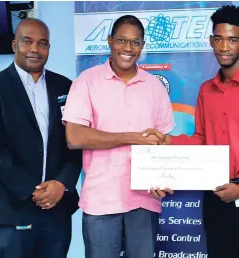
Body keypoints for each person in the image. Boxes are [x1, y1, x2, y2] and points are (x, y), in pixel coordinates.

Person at [145, 5, 239, 258]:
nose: (224, 47)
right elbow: (202, 140)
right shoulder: (206, 90)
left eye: (232, 40)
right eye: (218, 39)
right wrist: (168, 141)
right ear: (211, 40)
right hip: (214, 195)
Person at [62, 15, 174, 258]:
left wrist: (164, 177)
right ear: (110, 41)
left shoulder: (154, 86)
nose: (128, 48)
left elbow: (164, 141)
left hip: (145, 199)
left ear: (142, 46)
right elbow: (74, 137)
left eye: (135, 42)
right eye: (122, 40)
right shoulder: (86, 82)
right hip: (102, 199)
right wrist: (133, 137)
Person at [0, 18, 82, 258]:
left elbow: (76, 141)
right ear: (15, 44)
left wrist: (61, 183)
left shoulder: (66, 87)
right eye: (27, 41)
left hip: (57, 208)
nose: (35, 49)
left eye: (43, 43)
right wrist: (33, 190)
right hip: (11, 207)